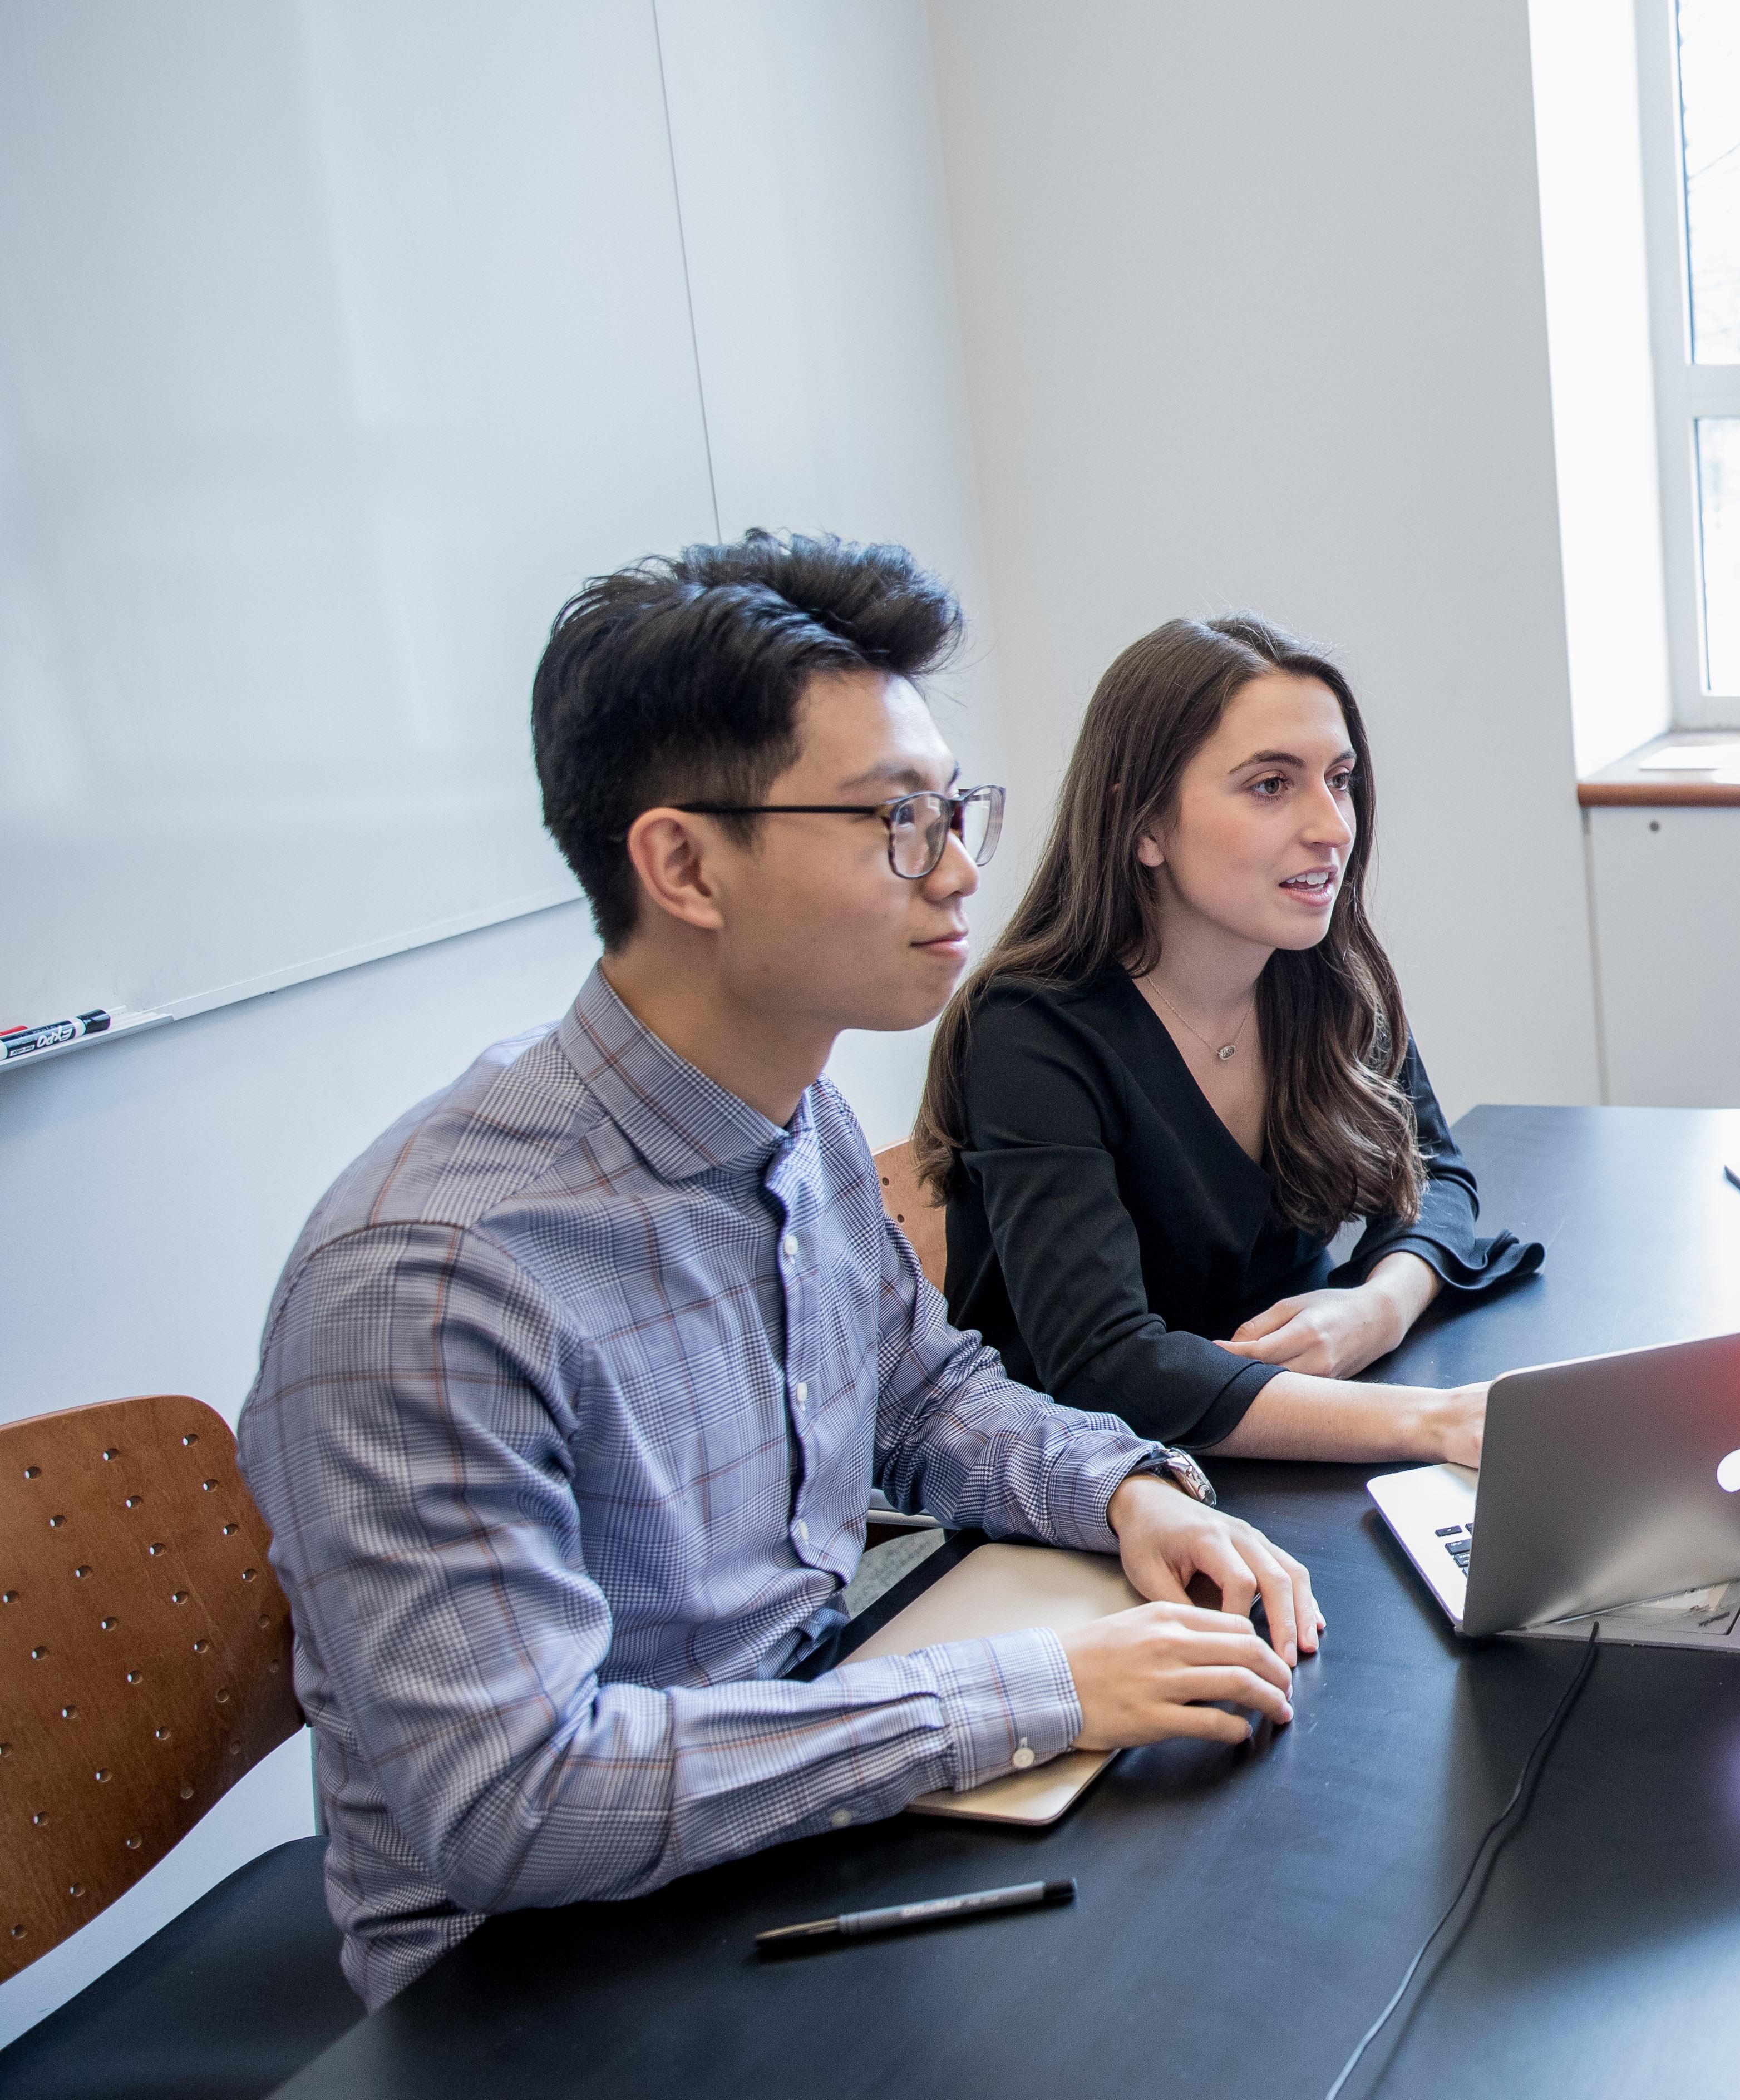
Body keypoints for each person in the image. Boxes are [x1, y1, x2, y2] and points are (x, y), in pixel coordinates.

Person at [239, 534, 1324, 2008]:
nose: (954, 869)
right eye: (891, 819)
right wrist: (1035, 1690)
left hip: (797, 1784)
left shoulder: (793, 1112)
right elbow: (519, 1803)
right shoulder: (427, 1280)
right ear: (684, 862)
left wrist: (1123, 1487)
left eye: (953, 810)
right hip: (540, 1978)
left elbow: (923, 1391)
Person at [914, 615, 1537, 1462]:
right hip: (1103, 1492)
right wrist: (1431, 1424)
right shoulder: (1029, 1034)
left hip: (1306, 1441)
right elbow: (1104, 1366)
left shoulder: (1321, 973)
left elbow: (1434, 1173)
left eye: (1341, 778)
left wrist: (1377, 1307)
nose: (1334, 827)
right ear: (1143, 827)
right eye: (1271, 786)